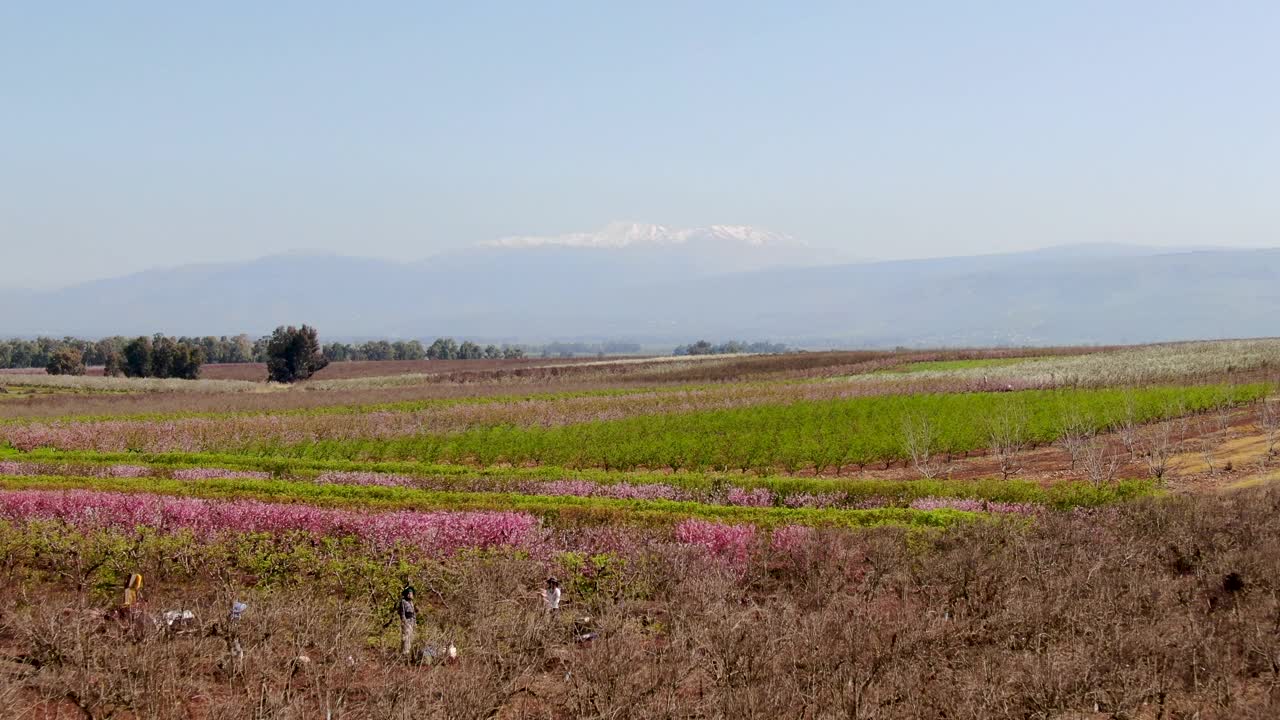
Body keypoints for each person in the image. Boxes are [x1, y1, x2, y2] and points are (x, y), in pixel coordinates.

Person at [396, 586, 417, 657]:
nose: (410, 595)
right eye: (409, 593)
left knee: (411, 637)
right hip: (406, 621)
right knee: (406, 637)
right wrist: (404, 622)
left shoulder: (411, 602)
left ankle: (409, 652)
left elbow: (414, 613)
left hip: (411, 621)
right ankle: (404, 653)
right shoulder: (403, 602)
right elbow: (402, 613)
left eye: (411, 593)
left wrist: (415, 622)